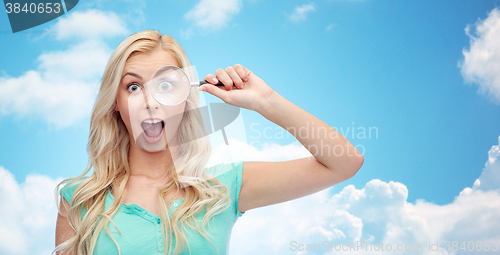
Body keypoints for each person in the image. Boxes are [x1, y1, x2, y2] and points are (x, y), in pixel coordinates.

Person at [54, 29, 364, 255]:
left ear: (186, 98)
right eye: (133, 87)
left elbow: (343, 163)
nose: (150, 101)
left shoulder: (223, 188)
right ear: (116, 103)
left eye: (165, 84)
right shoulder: (80, 201)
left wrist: (266, 101)